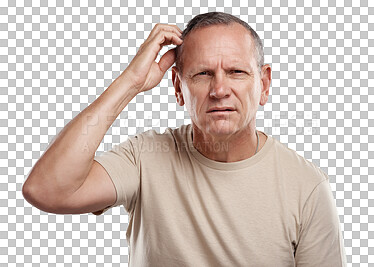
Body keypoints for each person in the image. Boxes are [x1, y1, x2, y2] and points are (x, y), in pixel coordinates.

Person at [22, 12, 347, 266]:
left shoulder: (307, 186)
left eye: (236, 72)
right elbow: (47, 190)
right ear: (178, 88)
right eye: (203, 74)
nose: (220, 90)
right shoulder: (144, 158)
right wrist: (131, 82)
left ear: (263, 84)